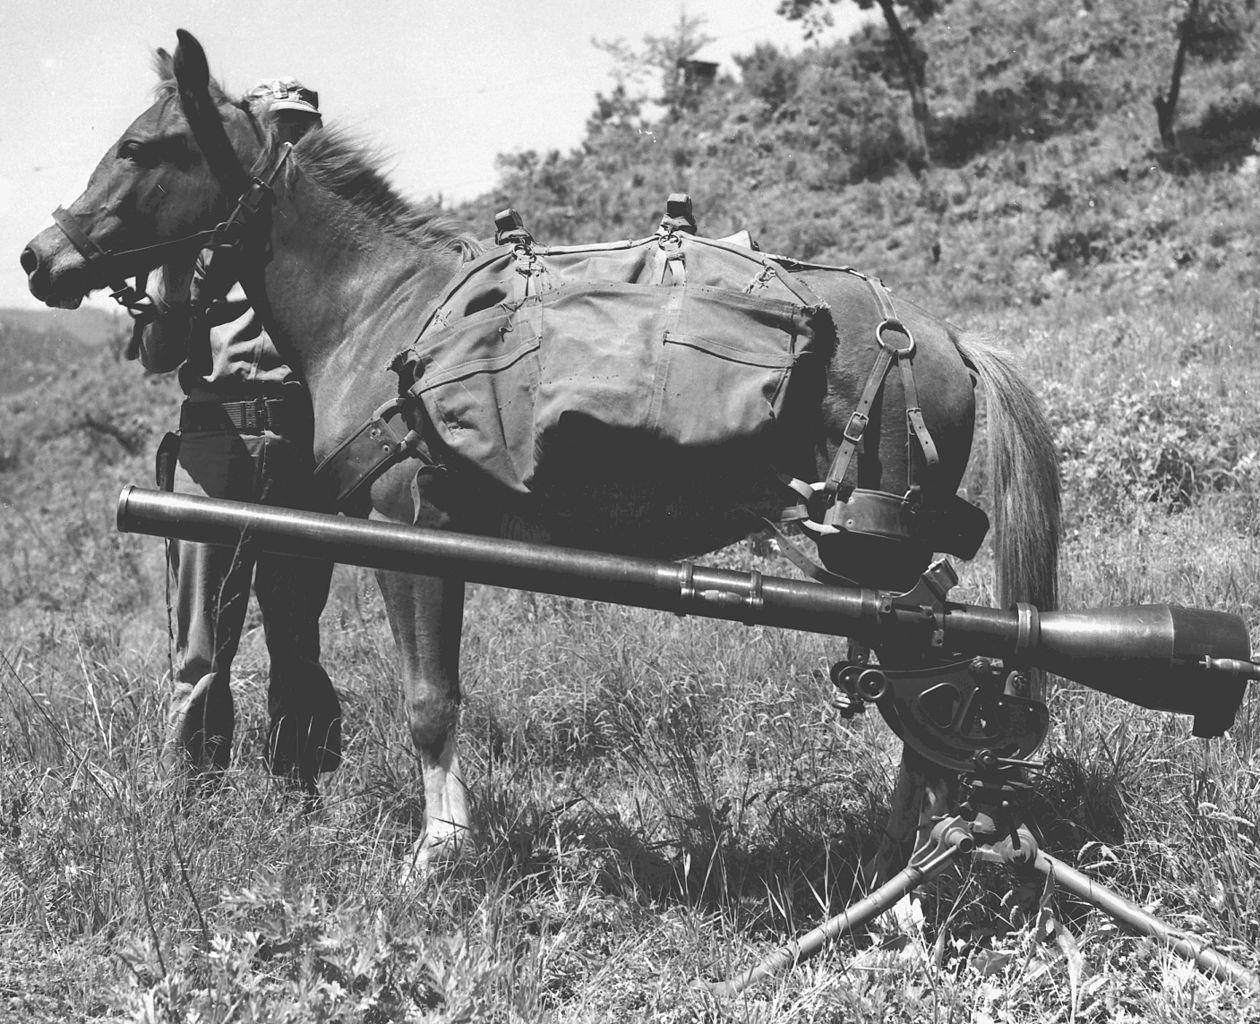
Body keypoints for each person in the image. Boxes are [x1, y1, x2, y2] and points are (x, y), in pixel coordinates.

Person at [131, 78, 339, 797]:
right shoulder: (194, 232)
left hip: (297, 440)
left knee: (294, 632)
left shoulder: (329, 243)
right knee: (200, 644)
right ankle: (198, 799)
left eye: (301, 130)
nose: (289, 142)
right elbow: (159, 354)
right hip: (213, 440)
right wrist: (177, 284)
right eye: (278, 128)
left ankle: (297, 791)